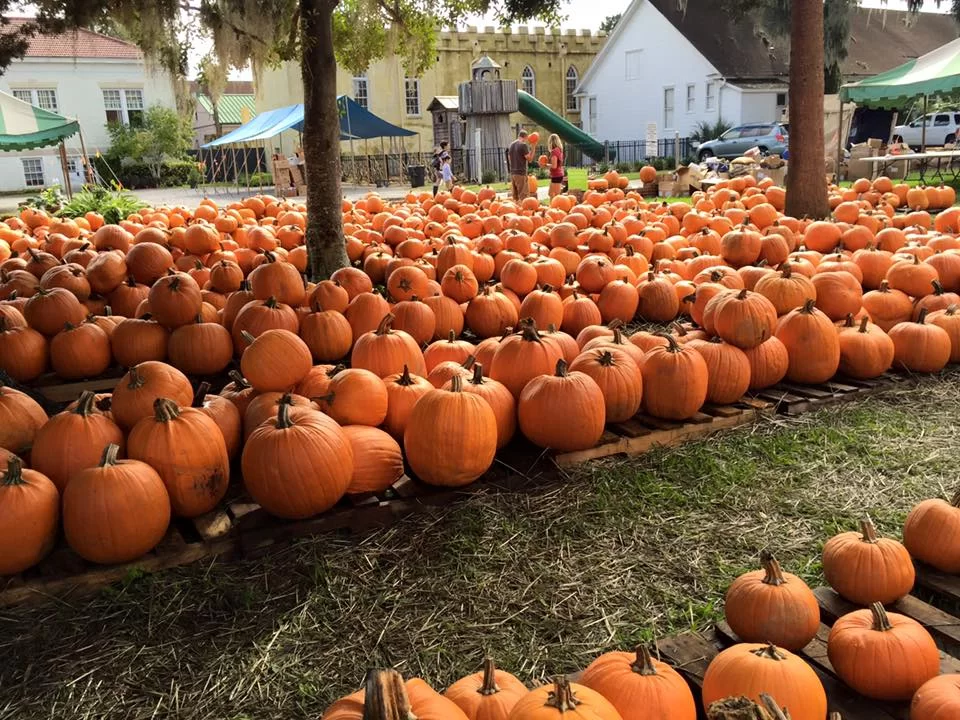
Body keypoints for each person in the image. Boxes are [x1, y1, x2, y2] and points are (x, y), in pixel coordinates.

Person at [506, 130, 533, 201]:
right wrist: (533, 147)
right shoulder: (523, 145)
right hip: (521, 173)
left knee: (515, 197)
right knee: (524, 196)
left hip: (513, 173)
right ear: (525, 137)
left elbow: (509, 159)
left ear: (519, 136)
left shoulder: (511, 145)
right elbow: (530, 159)